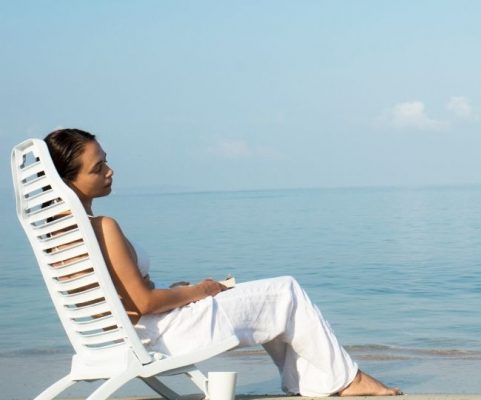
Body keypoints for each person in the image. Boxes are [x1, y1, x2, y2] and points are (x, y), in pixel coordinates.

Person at [44, 128, 401, 397]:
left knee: (267, 299)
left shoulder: (59, 238)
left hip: (123, 337)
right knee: (284, 292)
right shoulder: (102, 228)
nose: (110, 170)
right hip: (158, 338)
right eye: (98, 166)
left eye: (106, 160)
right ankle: (346, 380)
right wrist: (201, 290)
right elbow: (143, 304)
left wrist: (181, 292)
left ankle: (309, 381)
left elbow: (127, 303)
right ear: (67, 181)